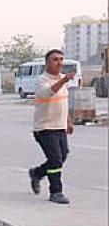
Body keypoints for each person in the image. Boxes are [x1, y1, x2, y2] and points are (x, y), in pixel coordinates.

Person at [28, 49, 74, 204]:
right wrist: (63, 81)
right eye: (55, 59)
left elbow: (64, 103)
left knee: (62, 156)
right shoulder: (42, 80)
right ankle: (56, 191)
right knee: (55, 159)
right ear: (47, 62)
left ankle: (37, 173)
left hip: (59, 127)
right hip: (45, 128)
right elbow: (47, 94)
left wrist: (68, 121)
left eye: (61, 59)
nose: (59, 62)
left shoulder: (62, 80)